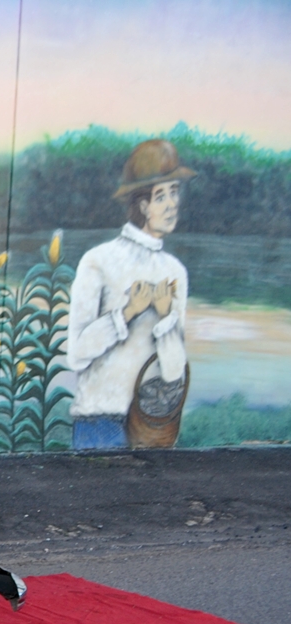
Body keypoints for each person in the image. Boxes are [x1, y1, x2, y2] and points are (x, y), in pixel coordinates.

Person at [66, 139, 194, 450]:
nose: (172, 204)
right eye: (161, 196)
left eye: (174, 192)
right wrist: (125, 313)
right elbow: (76, 353)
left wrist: (166, 318)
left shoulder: (175, 271)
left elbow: (174, 373)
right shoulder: (98, 261)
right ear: (143, 205)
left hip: (153, 426)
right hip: (99, 423)